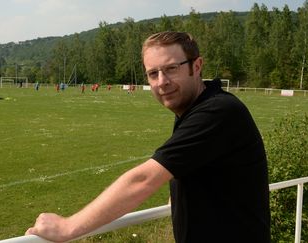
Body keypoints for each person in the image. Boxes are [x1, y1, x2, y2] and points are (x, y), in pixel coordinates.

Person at [25, 31, 270, 243]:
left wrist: (68, 227)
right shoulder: (194, 108)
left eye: (171, 68)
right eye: (153, 73)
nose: (162, 82)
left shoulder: (218, 111)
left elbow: (144, 179)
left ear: (196, 66)